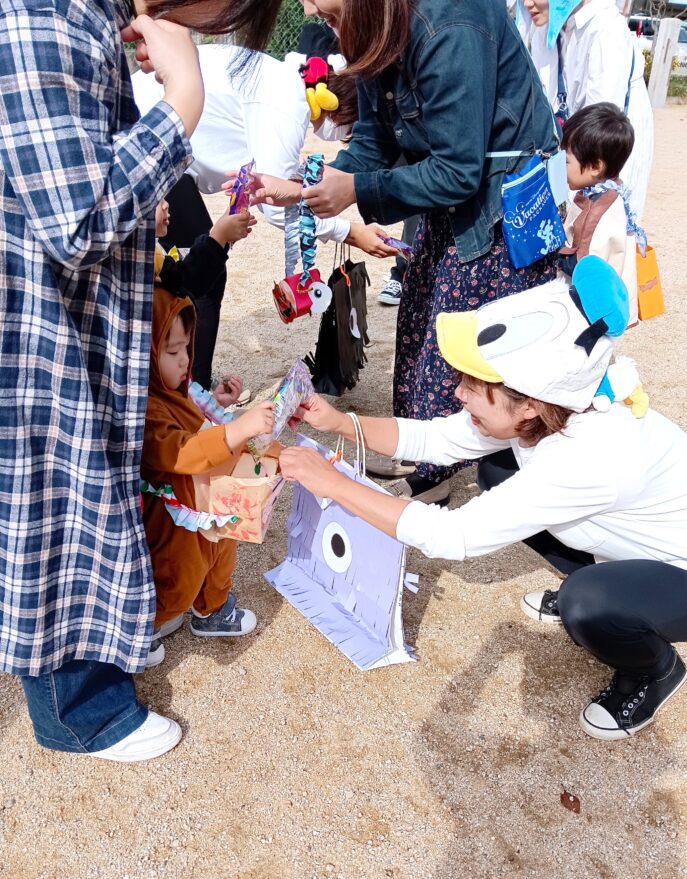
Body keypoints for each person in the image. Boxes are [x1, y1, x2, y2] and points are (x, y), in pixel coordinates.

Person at [279, 258, 687, 741]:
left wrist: (335, 484)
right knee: (497, 469)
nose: (458, 392)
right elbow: (439, 440)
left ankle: (655, 668)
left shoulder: (590, 457)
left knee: (586, 605)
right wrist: (343, 423)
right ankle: (612, 584)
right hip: (644, 544)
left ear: (529, 401)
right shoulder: (560, 402)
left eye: (473, 385)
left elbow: (453, 536)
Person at [0, 0, 281, 763]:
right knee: (58, 513)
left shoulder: (75, 20)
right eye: (226, 11)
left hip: (77, 331)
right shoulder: (38, 19)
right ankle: (76, 709)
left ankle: (104, 650)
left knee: (85, 504)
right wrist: (181, 102)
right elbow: (77, 218)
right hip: (45, 339)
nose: (212, 22)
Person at [254, 0, 561, 501]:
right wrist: (306, 185)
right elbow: (373, 145)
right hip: (453, 202)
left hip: (501, 210)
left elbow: (459, 169)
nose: (308, 8)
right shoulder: (376, 27)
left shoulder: (451, 24)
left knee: (473, 352)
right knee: (422, 337)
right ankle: (431, 458)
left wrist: (355, 191)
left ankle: (473, 470)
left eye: (322, 4)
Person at [132, 42, 396, 388]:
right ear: (338, 106)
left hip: (163, 143)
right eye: (350, 132)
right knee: (200, 278)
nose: (344, 139)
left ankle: (188, 383)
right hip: (148, 139)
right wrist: (351, 231)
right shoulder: (285, 105)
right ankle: (191, 389)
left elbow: (277, 181)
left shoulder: (284, 82)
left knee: (201, 267)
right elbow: (274, 205)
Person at [141, 288, 273, 668]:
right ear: (144, 356)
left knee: (222, 552)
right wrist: (238, 430)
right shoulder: (146, 407)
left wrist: (223, 404)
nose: (185, 361)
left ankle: (212, 610)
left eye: (186, 348)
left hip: (210, 499)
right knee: (178, 577)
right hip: (175, 516)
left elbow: (198, 416)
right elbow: (181, 450)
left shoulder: (178, 390)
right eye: (172, 352)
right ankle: (146, 627)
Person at [521, 0, 654, 220]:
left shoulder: (604, 29)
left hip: (604, 150)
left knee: (603, 230)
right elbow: (544, 101)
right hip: (574, 154)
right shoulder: (549, 24)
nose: (527, 3)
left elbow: (602, 125)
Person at [154, 196, 254, 388]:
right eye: (157, 200)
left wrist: (220, 234)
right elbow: (188, 281)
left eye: (166, 196)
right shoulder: (142, 254)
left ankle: (197, 386)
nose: (166, 203)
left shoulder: (148, 246)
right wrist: (218, 236)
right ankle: (196, 386)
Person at [558, 103, 644, 326]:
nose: (560, 165)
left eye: (566, 160)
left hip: (592, 310)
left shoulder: (597, 210)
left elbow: (584, 266)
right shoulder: (611, 191)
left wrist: (552, 250)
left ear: (596, 167)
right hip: (611, 300)